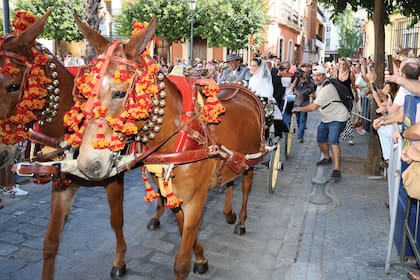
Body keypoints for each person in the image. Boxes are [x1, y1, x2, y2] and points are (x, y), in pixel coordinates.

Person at [292, 65, 349, 180]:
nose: (316, 78)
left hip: (338, 117)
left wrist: (298, 109)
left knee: (333, 141)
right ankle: (327, 158)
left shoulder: (327, 88)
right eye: (314, 75)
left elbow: (313, 107)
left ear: (324, 75)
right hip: (327, 118)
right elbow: (318, 99)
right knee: (321, 138)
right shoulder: (320, 86)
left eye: (318, 75)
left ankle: (337, 169)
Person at [335, 58, 357, 145]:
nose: (342, 66)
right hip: (339, 96)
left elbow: (354, 86)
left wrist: (357, 95)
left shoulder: (351, 74)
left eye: (344, 64)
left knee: (348, 116)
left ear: (346, 65)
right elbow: (334, 84)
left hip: (348, 97)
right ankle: (339, 134)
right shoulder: (336, 73)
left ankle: (350, 136)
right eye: (340, 64)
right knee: (338, 116)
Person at [290, 64, 315, 143]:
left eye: (307, 72)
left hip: (305, 102)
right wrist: (297, 78)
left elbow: (310, 90)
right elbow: (292, 87)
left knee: (303, 120)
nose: (305, 74)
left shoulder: (310, 80)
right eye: (303, 72)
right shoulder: (296, 78)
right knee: (298, 119)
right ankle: (300, 130)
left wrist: (305, 83)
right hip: (296, 101)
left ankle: (300, 136)